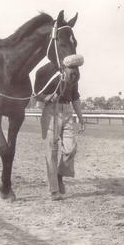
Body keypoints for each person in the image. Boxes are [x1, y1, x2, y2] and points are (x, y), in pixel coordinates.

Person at [35, 55, 85, 201]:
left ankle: (59, 174)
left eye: (76, 68)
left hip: (68, 111)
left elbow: (75, 98)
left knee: (71, 148)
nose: (74, 71)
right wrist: (47, 97)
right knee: (51, 151)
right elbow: (37, 94)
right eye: (72, 68)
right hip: (51, 112)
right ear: (64, 68)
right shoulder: (51, 78)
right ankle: (54, 190)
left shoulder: (74, 80)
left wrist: (81, 118)